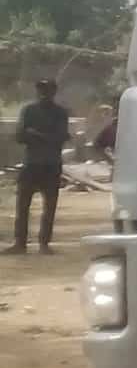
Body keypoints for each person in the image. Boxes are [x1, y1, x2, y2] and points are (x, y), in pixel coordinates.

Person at [11, 78, 70, 255]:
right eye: (41, 90)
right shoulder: (29, 110)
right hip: (31, 163)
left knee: (49, 206)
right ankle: (20, 243)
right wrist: (43, 137)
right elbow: (19, 136)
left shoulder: (60, 113)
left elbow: (61, 137)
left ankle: (44, 243)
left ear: (54, 92)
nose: (44, 93)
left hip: (50, 164)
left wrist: (35, 134)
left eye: (47, 90)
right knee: (22, 206)